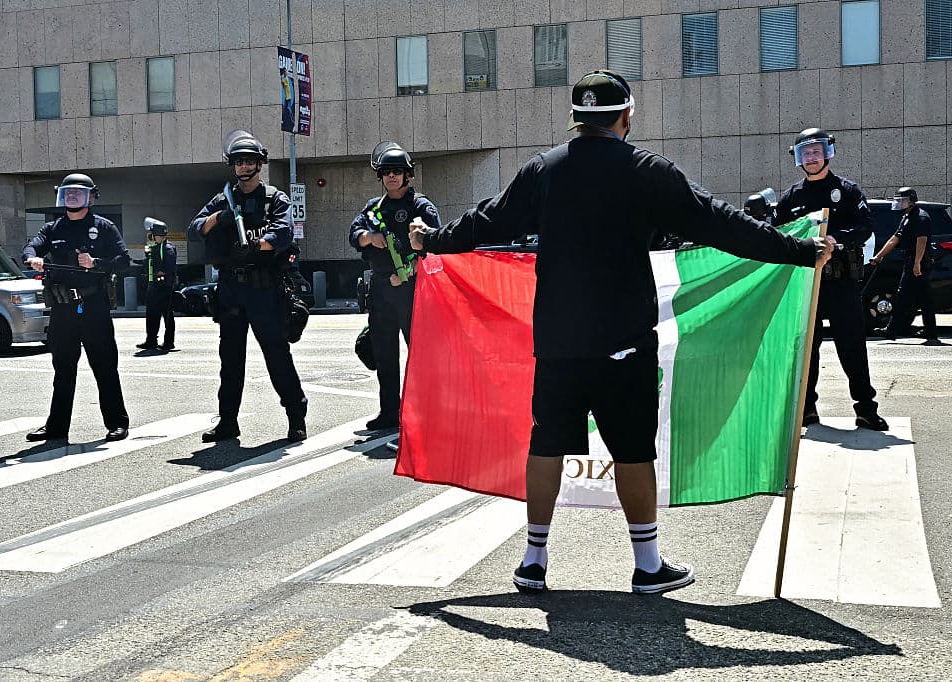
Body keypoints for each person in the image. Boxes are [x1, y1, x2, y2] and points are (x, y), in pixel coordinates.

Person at [408, 70, 834, 596]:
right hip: (623, 341)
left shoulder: (544, 170)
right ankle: (647, 565)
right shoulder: (647, 171)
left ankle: (533, 561)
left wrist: (432, 241)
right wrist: (797, 251)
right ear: (626, 117)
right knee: (633, 451)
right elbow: (719, 222)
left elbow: (487, 222)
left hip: (558, 341)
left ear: (577, 120)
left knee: (547, 444)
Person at [187, 130, 308, 443]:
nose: (244, 167)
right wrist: (220, 217)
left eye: (249, 161)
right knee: (231, 360)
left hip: (265, 288)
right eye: (239, 161)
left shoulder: (274, 198)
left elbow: (283, 232)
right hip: (231, 289)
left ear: (260, 163)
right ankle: (228, 421)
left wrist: (258, 245)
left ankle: (296, 417)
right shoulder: (222, 199)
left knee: (277, 356)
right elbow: (194, 229)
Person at [774, 128, 888, 431]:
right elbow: (778, 235)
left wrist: (837, 239)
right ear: (797, 158)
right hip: (807, 283)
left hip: (841, 283)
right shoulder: (791, 198)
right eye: (805, 153)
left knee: (852, 346)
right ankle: (807, 409)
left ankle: (866, 409)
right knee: (806, 349)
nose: (811, 158)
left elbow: (865, 226)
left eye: (816, 151)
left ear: (827, 152)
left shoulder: (847, 191)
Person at [22, 173, 130, 442]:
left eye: (78, 193)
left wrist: (96, 263)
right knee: (63, 368)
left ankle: (117, 422)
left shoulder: (103, 227)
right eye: (67, 193)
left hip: (93, 305)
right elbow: (31, 247)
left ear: (91, 197)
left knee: (104, 366)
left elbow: (124, 260)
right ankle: (56, 427)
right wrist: (31, 258)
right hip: (63, 308)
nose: (72, 197)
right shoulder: (53, 228)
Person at [349, 141, 441, 431]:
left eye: (397, 171)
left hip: (413, 290)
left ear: (407, 175)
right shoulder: (374, 209)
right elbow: (354, 232)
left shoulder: (420, 206)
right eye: (387, 171)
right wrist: (367, 237)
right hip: (380, 290)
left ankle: (428, 411)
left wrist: (409, 272)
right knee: (385, 355)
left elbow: (435, 242)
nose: (392, 176)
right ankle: (389, 412)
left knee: (421, 356)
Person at [872, 187, 938, 341]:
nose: (900, 203)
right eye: (899, 201)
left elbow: (922, 241)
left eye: (903, 200)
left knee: (908, 297)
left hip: (919, 263)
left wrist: (917, 263)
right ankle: (929, 332)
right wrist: (879, 256)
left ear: (912, 201)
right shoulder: (906, 217)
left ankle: (892, 330)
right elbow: (894, 239)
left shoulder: (921, 217)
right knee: (918, 298)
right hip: (911, 262)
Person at [137, 218, 178, 350]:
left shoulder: (168, 247)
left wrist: (161, 272)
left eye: (153, 234)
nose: (152, 236)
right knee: (152, 314)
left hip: (164, 287)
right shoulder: (157, 247)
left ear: (157, 234)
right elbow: (149, 263)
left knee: (167, 315)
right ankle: (151, 341)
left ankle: (168, 342)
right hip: (154, 286)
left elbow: (170, 266)